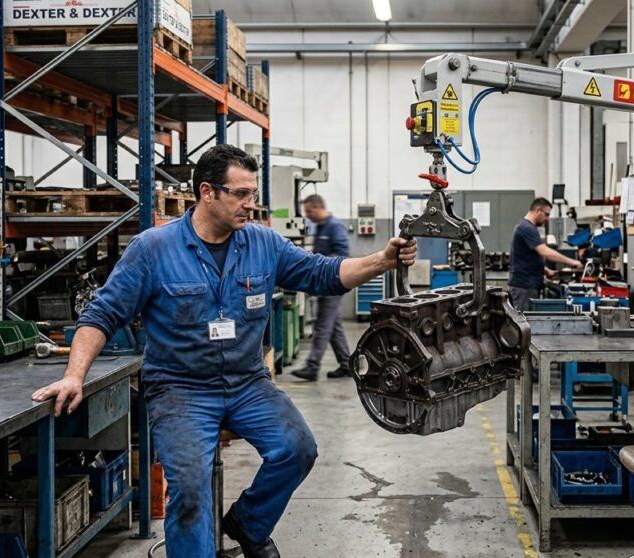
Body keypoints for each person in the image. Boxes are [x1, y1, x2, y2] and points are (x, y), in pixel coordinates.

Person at [30, 145, 416, 558]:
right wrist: (74, 375)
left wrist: (383, 260)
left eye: (253, 193)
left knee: (297, 448)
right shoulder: (153, 248)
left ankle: (248, 524)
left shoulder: (262, 243)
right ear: (207, 192)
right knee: (191, 487)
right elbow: (101, 315)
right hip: (180, 389)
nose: (251, 204)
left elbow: (323, 273)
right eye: (241, 194)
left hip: (247, 383)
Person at [291, 194, 351, 381]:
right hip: (323, 284)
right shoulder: (321, 227)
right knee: (334, 326)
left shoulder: (334, 226)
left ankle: (312, 366)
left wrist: (321, 264)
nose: (308, 215)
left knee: (323, 325)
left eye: (309, 211)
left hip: (333, 282)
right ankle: (347, 364)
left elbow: (343, 254)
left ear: (318, 207)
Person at [508, 197, 583, 312]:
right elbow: (544, 251)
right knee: (524, 323)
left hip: (528, 285)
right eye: (546, 214)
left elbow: (528, 257)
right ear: (538, 210)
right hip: (524, 287)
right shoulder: (526, 228)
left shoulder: (528, 227)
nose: (547, 218)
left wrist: (545, 270)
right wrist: (571, 261)